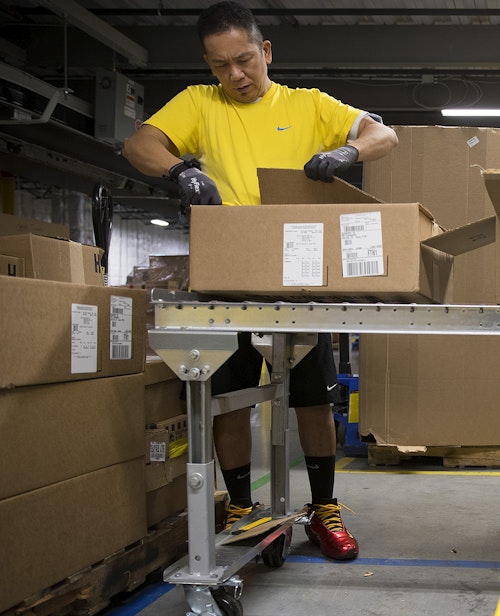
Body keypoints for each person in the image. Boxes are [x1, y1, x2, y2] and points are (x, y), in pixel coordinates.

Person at [122, 1, 398, 561]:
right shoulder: (199, 103)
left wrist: (347, 150)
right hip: (229, 278)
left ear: (265, 51)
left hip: (300, 277)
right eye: (220, 65)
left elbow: (383, 135)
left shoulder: (308, 106)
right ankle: (246, 509)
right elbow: (138, 144)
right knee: (229, 397)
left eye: (244, 60)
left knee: (312, 399)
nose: (235, 76)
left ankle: (323, 509)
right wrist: (182, 171)